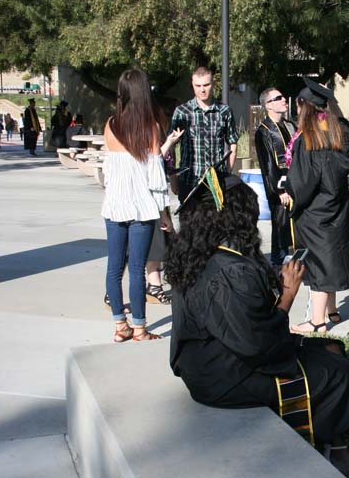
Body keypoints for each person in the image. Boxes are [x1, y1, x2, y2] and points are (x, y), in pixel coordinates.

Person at [165, 169, 349, 478]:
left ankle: (337, 451)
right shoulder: (228, 270)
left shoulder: (202, 252)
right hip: (225, 376)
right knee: (344, 374)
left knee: (333, 348)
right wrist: (288, 293)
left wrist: (269, 282)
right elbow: (261, 345)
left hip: (209, 361)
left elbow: (240, 319)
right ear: (236, 219)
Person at [101, 68, 172, 343]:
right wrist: (164, 213)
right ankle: (140, 328)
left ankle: (121, 325)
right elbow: (156, 178)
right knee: (137, 268)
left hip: (114, 206)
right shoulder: (150, 128)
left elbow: (111, 170)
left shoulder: (110, 125)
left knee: (113, 267)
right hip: (141, 208)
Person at [287, 77, 349, 334]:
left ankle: (317, 322)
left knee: (318, 266)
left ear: (303, 106)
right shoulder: (337, 133)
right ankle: (332, 311)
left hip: (314, 212)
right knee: (329, 260)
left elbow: (302, 184)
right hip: (335, 207)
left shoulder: (307, 140)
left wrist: (290, 192)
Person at [163, 66, 239, 203]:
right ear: (192, 85)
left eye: (206, 85)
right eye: (198, 85)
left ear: (213, 84)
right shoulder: (182, 112)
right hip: (189, 181)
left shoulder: (224, 111)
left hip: (216, 182)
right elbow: (170, 148)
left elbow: (232, 142)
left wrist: (227, 171)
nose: (202, 89)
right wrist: (173, 179)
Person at [254, 87, 295, 266]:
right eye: (278, 98)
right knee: (281, 224)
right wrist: (279, 190)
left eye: (283, 96)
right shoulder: (263, 131)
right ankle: (278, 262)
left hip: (295, 184)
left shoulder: (289, 125)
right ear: (268, 105)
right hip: (280, 187)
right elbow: (268, 165)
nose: (284, 99)